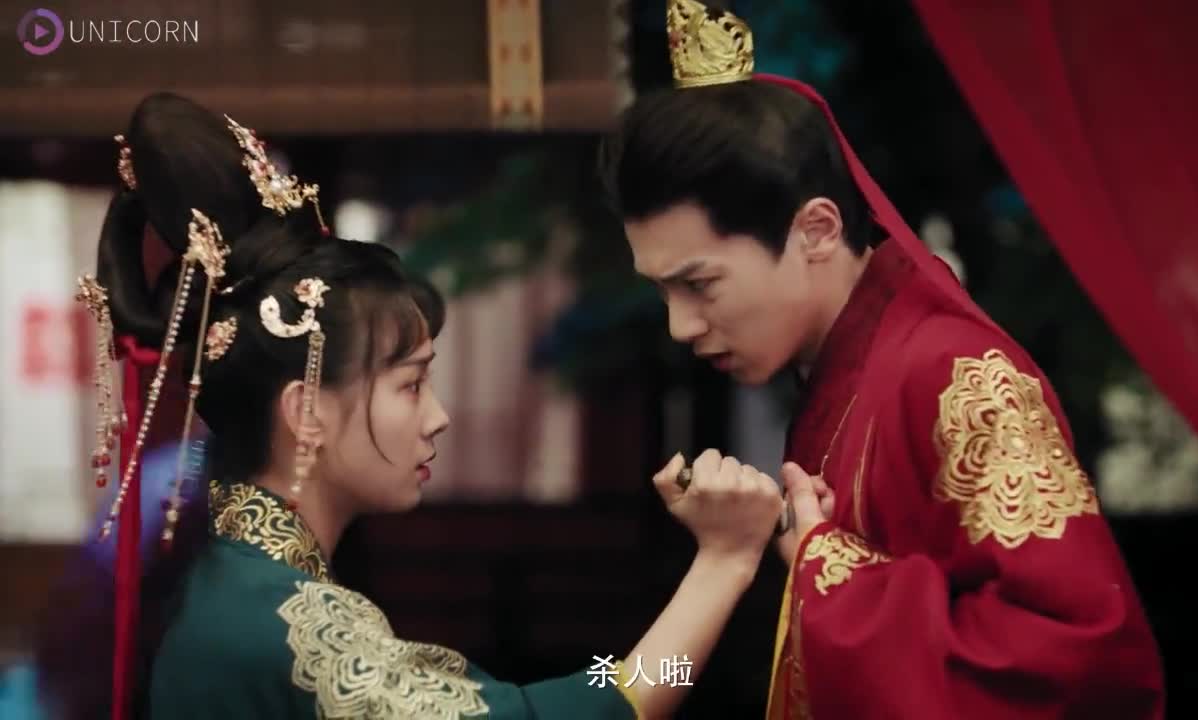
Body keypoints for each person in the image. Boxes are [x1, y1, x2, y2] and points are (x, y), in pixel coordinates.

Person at [37, 93, 787, 720]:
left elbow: (566, 689)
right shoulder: (286, 622)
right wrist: (724, 560)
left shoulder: (236, 585)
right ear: (306, 411)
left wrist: (627, 663)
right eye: (410, 383)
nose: (438, 417)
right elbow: (572, 708)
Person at [599, 1, 1165, 717]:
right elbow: (615, 694)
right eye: (662, 291)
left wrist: (825, 564)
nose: (680, 326)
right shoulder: (838, 376)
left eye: (700, 284)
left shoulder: (964, 379)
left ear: (816, 230)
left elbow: (1083, 657)